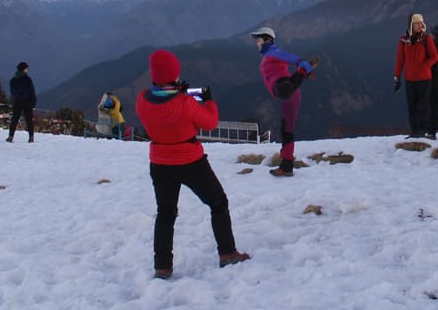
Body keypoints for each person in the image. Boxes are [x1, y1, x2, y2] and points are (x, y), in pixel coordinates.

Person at [135, 49, 249, 277]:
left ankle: (162, 268)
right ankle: (227, 253)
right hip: (190, 161)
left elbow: (161, 108)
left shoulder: (142, 100)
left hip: (159, 162)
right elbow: (210, 122)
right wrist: (208, 102)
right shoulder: (185, 102)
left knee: (165, 214)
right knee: (218, 203)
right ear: (175, 73)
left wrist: (174, 91)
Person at [250, 26, 319, 177]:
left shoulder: (272, 52)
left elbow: (287, 56)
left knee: (284, 90)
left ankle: (302, 73)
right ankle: (286, 167)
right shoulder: (268, 55)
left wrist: (301, 63)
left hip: (285, 88)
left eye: (259, 40)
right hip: (288, 94)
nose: (257, 43)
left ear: (267, 39)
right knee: (286, 131)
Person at [393, 13, 438, 138]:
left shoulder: (426, 39)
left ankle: (422, 131)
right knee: (412, 105)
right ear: (411, 25)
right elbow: (400, 60)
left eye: (420, 23)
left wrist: (425, 65)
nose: (419, 25)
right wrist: (396, 77)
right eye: (416, 23)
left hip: (424, 78)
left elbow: (435, 56)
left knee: (423, 105)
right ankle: (414, 131)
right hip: (410, 79)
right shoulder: (403, 41)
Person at [7, 61, 36, 143]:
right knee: (29, 120)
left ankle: (10, 136)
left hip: (17, 102)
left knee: (14, 120)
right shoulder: (27, 80)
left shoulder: (13, 80)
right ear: (24, 69)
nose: (27, 70)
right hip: (27, 102)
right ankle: (31, 137)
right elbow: (31, 92)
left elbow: (12, 92)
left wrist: (16, 98)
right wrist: (33, 102)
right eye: (26, 69)